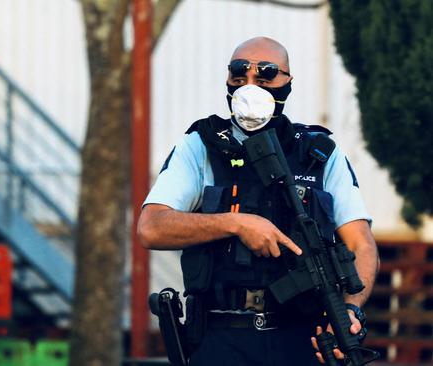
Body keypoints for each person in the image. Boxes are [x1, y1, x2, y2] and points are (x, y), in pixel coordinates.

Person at [138, 37, 378, 365]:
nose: (250, 89)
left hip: (301, 337)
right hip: (221, 335)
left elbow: (361, 245)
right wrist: (235, 223)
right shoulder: (201, 145)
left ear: (288, 83)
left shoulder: (319, 154)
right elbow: (151, 228)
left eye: (264, 80)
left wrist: (350, 311)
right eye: (239, 79)